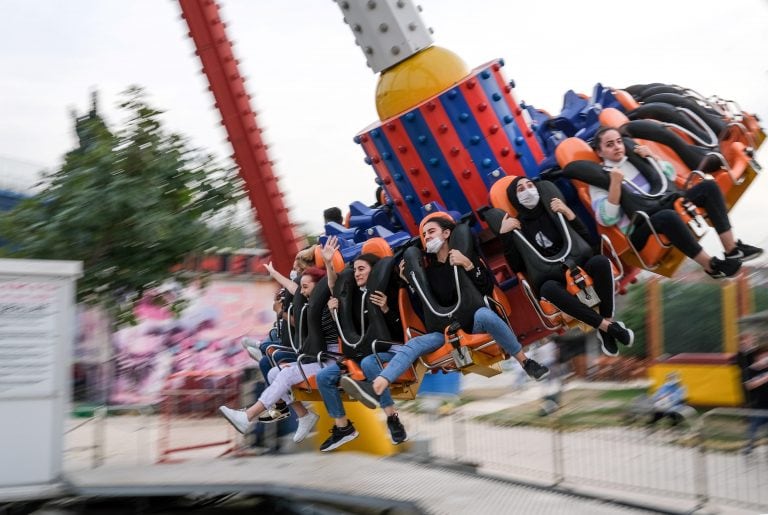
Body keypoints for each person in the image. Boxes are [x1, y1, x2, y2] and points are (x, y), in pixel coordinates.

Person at [341, 215, 549, 411]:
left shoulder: (465, 257)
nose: (427, 236)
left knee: (484, 315)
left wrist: (467, 264)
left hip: (471, 322)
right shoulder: (427, 272)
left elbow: (486, 287)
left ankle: (527, 363)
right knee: (413, 344)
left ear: (447, 233)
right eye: (424, 235)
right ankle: (375, 387)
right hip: (441, 330)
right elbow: (423, 308)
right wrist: (409, 282)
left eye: (431, 231)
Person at [589, 127, 762, 278]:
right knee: (667, 216)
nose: (617, 147)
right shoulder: (598, 179)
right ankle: (712, 266)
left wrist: (652, 158)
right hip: (638, 228)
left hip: (663, 202)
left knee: (708, 187)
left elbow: (670, 175)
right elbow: (607, 219)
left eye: (618, 142)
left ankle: (732, 250)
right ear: (600, 151)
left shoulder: (636, 158)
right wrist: (614, 185)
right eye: (609, 144)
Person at [499, 177, 633, 356]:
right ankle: (608, 327)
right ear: (515, 198)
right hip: (551, 275)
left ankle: (606, 327)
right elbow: (517, 266)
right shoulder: (516, 227)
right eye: (520, 189)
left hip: (577, 260)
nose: (527, 191)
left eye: (530, 185)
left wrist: (569, 213)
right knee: (547, 289)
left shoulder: (554, 209)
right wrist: (505, 235)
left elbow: (586, 238)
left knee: (600, 261)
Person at [218, 267, 337, 443]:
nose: (302, 291)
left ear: (318, 286)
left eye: (305, 287)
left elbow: (332, 282)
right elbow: (293, 288)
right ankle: (304, 415)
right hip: (316, 357)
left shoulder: (328, 303)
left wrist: (328, 262)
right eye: (301, 287)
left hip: (332, 359)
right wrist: (274, 273)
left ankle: (248, 416)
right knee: (274, 373)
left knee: (286, 373)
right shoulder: (311, 305)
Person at [314, 238, 407, 451]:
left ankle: (392, 419)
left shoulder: (386, 292)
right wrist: (329, 264)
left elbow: (400, 327)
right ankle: (343, 427)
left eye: (361, 269)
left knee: (368, 364)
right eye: (355, 269)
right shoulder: (355, 297)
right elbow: (334, 286)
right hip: (361, 352)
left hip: (390, 351)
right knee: (323, 377)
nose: (356, 273)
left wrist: (385, 309)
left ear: (373, 272)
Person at [743, 345, 768, 455]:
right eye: (764, 356)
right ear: (758, 357)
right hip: (757, 405)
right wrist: (765, 378)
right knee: (753, 427)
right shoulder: (750, 370)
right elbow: (749, 385)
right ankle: (749, 446)